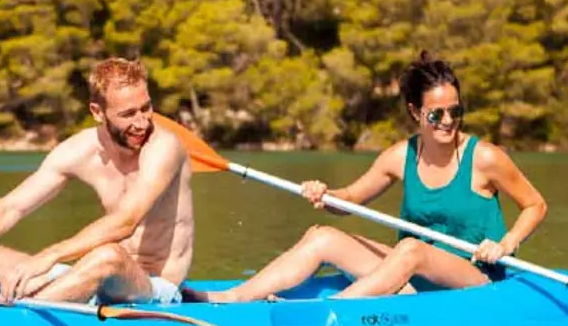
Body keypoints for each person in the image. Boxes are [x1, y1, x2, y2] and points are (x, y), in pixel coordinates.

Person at [199, 53, 547, 303]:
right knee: (322, 237)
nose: (448, 121)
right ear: (415, 111)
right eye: (436, 113)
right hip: (411, 277)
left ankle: (334, 311)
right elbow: (350, 199)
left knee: (412, 249)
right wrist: (327, 194)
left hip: (475, 279)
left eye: (455, 111)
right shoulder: (400, 156)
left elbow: (535, 205)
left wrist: (505, 244)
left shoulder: (484, 158)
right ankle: (233, 298)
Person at [0, 57, 194, 305]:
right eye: (128, 114)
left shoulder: (163, 147)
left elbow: (125, 222)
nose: (141, 122)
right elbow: (10, 207)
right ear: (97, 112)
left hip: (151, 287)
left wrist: (47, 256)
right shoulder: (78, 150)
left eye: (146, 107)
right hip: (87, 275)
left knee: (108, 255)